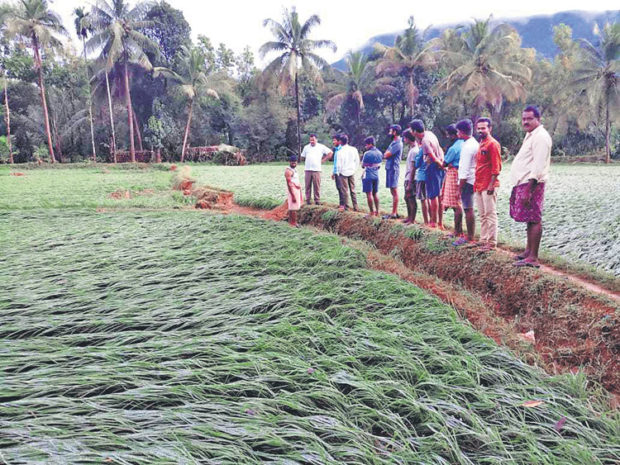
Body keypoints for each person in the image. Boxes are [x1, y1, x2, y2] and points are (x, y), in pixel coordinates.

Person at [510, 105, 552, 268]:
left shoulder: (541, 137)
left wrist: (529, 188)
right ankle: (528, 251)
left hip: (532, 183)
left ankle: (533, 257)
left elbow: (539, 164)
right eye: (524, 119)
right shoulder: (531, 135)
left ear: (538, 119)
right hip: (524, 182)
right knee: (529, 218)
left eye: (529, 119)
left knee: (534, 218)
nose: (525, 122)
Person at [473, 118, 502, 251]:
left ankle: (492, 243)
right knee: (482, 214)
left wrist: (491, 185)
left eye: (483, 128)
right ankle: (483, 239)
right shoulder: (481, 143)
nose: (480, 131)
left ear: (489, 129)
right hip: (479, 184)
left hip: (488, 185)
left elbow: (496, 168)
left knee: (490, 214)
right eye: (478, 128)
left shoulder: (493, 144)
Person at [409, 119, 444, 228]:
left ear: (415, 131)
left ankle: (433, 222)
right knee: (438, 195)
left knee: (433, 196)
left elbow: (431, 155)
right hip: (438, 167)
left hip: (433, 167)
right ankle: (440, 223)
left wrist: (440, 164)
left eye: (411, 130)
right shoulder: (430, 134)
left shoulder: (424, 140)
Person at [453, 119, 480, 246]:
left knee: (468, 208)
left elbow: (464, 170)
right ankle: (469, 235)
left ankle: (469, 237)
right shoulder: (474, 143)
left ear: (462, 132)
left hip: (468, 180)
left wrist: (459, 188)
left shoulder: (467, 147)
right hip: (473, 179)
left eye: (458, 131)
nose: (457, 134)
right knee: (469, 208)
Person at [441, 124, 464, 238]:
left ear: (452, 135)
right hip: (460, 172)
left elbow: (444, 163)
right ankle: (458, 230)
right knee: (457, 203)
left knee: (456, 204)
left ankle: (457, 231)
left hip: (454, 173)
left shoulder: (454, 148)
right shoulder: (463, 144)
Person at [300, 133, 332, 205]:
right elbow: (302, 156)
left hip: (317, 170)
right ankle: (308, 200)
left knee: (316, 186)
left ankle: (317, 200)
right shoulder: (306, 147)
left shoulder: (321, 147)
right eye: (310, 140)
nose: (312, 142)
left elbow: (330, 153)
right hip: (307, 169)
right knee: (307, 186)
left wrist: (323, 160)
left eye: (313, 140)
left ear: (316, 140)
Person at [382, 124, 403, 219]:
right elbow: (385, 153)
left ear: (395, 132)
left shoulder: (398, 143)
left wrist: (386, 154)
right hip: (390, 168)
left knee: (394, 190)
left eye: (391, 131)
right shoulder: (393, 142)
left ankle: (394, 213)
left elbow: (386, 154)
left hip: (393, 169)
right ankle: (394, 212)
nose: (389, 133)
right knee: (392, 190)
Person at [335, 134, 359, 211]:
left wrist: (338, 172)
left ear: (340, 142)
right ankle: (356, 206)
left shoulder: (340, 151)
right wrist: (354, 169)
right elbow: (357, 160)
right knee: (353, 190)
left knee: (345, 190)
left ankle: (347, 207)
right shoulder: (353, 149)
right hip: (352, 171)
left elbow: (339, 164)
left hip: (343, 172)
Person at [361, 136, 383, 216]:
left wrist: (367, 165)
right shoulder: (380, 153)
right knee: (375, 193)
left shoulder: (367, 153)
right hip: (376, 175)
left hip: (368, 175)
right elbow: (379, 165)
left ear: (370, 144)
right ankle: (377, 211)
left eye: (366, 145)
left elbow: (363, 165)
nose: (365, 146)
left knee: (369, 194)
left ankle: (371, 212)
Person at [402, 129, 420, 224]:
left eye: (404, 138)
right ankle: (409, 217)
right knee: (407, 198)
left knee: (411, 198)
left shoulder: (414, 151)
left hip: (411, 178)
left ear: (408, 138)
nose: (404, 139)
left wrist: (410, 182)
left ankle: (412, 219)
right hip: (409, 177)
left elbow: (413, 168)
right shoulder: (412, 149)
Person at [284, 155, 302, 227]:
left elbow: (293, 181)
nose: (294, 164)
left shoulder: (294, 170)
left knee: (293, 207)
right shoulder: (288, 171)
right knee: (293, 208)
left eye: (295, 162)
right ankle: (294, 223)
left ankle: (292, 222)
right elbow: (289, 184)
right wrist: (293, 195)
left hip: (296, 190)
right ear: (290, 162)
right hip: (292, 191)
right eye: (292, 163)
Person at [330, 134, 346, 210]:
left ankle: (343, 204)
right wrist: (333, 172)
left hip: (341, 172)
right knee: (338, 188)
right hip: (336, 171)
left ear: (339, 141)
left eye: (334, 140)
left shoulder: (341, 150)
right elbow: (336, 163)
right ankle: (341, 203)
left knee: (341, 188)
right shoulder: (336, 150)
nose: (333, 142)